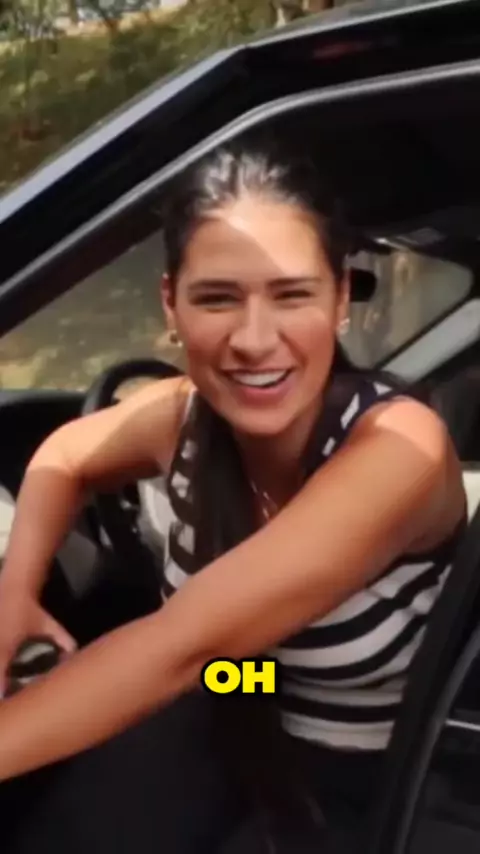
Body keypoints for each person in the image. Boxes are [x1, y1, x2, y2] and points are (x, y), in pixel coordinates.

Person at [0, 142, 466, 853]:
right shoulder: (178, 414)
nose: (253, 340)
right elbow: (63, 457)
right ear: (171, 303)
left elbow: (180, 645)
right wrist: (15, 590)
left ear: (341, 299)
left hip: (368, 767)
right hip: (236, 693)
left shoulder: (400, 447)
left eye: (292, 295)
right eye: (217, 297)